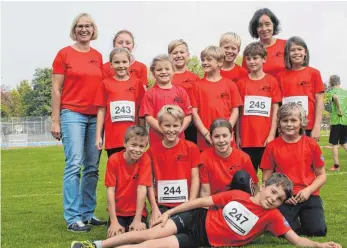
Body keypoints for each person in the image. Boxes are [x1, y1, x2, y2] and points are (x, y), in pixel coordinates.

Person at [71, 173, 342, 248]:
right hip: (194, 217)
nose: (273, 198)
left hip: (201, 240)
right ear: (263, 187)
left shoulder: (273, 218)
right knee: (149, 234)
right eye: (272, 191)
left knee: (151, 247)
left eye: (279, 197)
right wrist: (168, 212)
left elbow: (296, 240)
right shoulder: (238, 195)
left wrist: (318, 247)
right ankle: (96, 244)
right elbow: (201, 202)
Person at [51, 13, 106, 232]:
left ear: (94, 30)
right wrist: (55, 120)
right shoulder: (64, 54)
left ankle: (87, 213)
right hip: (72, 114)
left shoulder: (99, 56)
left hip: (95, 117)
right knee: (74, 164)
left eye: (88, 26)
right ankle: (73, 218)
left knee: (92, 168)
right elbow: (56, 89)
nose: (84, 29)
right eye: (80, 26)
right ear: (74, 30)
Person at [261, 102, 327, 237]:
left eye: (293, 120)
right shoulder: (272, 146)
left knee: (317, 231)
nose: (289, 124)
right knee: (285, 232)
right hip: (285, 197)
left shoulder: (311, 145)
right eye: (285, 120)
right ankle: (284, 218)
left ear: (301, 122)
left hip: (308, 194)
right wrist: (281, 196)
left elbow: (322, 175)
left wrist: (308, 191)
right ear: (279, 123)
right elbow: (266, 178)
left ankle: (308, 216)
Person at [146, 105, 200, 227]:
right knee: (158, 232)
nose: (171, 130)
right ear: (160, 125)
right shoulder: (151, 152)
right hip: (163, 205)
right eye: (167, 125)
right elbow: (148, 182)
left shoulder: (191, 148)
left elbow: (195, 177)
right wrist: (154, 208)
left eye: (175, 126)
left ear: (181, 126)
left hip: (185, 203)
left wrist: (191, 203)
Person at [236, 42, 281, 172]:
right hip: (246, 139)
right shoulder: (241, 83)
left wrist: (272, 134)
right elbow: (238, 112)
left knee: (269, 176)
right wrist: (238, 135)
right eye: (248, 58)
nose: (251, 61)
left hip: (266, 139)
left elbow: (275, 109)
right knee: (248, 177)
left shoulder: (272, 81)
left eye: (255, 58)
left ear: (264, 59)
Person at [94, 48, 145, 158]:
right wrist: (98, 136)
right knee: (116, 171)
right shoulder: (105, 84)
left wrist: (143, 134)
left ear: (130, 63)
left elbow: (141, 111)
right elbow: (101, 110)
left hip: (133, 139)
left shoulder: (137, 83)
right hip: (113, 139)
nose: (121, 65)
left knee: (133, 171)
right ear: (111, 64)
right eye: (117, 62)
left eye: (124, 62)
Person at [191, 46, 243, 151]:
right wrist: (205, 133)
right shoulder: (196, 86)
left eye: (209, 60)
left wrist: (226, 131)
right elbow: (194, 112)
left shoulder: (230, 85)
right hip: (205, 140)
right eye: (203, 60)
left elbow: (235, 110)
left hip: (225, 139)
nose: (205, 62)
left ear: (220, 62)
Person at [105, 125, 152, 238]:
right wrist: (114, 221)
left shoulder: (145, 159)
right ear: (125, 143)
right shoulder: (114, 160)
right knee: (115, 238)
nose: (137, 149)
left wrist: (137, 219)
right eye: (133, 145)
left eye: (141, 146)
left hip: (137, 213)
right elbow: (110, 191)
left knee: (137, 238)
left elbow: (142, 189)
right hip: (118, 213)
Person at [277, 36, 325, 141]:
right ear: (287, 54)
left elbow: (319, 101)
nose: (296, 52)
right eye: (292, 50)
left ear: (305, 53)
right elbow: (278, 103)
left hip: (308, 126)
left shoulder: (314, 73)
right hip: (287, 126)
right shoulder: (280, 76)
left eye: (299, 49)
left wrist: (317, 126)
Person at [139, 55, 192, 146]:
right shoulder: (150, 93)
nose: (163, 72)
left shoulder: (181, 91)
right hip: (157, 141)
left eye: (167, 69)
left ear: (173, 70)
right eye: (159, 70)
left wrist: (178, 130)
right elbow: (149, 117)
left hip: (179, 140)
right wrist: (165, 131)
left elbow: (188, 115)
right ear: (153, 72)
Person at [199, 118, 259, 197]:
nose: (221, 140)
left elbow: (255, 187)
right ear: (211, 138)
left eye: (225, 136)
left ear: (231, 137)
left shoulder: (243, 158)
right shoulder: (204, 157)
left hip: (238, 201)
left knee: (242, 176)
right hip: (215, 201)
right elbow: (205, 191)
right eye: (217, 136)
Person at [169, 39, 200, 144]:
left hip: (191, 124)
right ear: (169, 56)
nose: (178, 55)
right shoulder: (165, 77)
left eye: (182, 52)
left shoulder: (195, 78)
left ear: (188, 55)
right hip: (171, 123)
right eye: (175, 53)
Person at [242, 8, 286, 77]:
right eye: (260, 25)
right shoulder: (250, 51)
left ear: (273, 25)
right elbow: (246, 77)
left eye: (267, 24)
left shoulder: (286, 45)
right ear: (255, 28)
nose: (264, 29)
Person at [326, 75, 347, 171]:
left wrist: (338, 109)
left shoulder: (331, 91)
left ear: (331, 82)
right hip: (345, 121)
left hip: (336, 120)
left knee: (334, 144)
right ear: (339, 82)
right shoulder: (345, 92)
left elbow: (335, 98)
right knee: (343, 142)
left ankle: (336, 166)